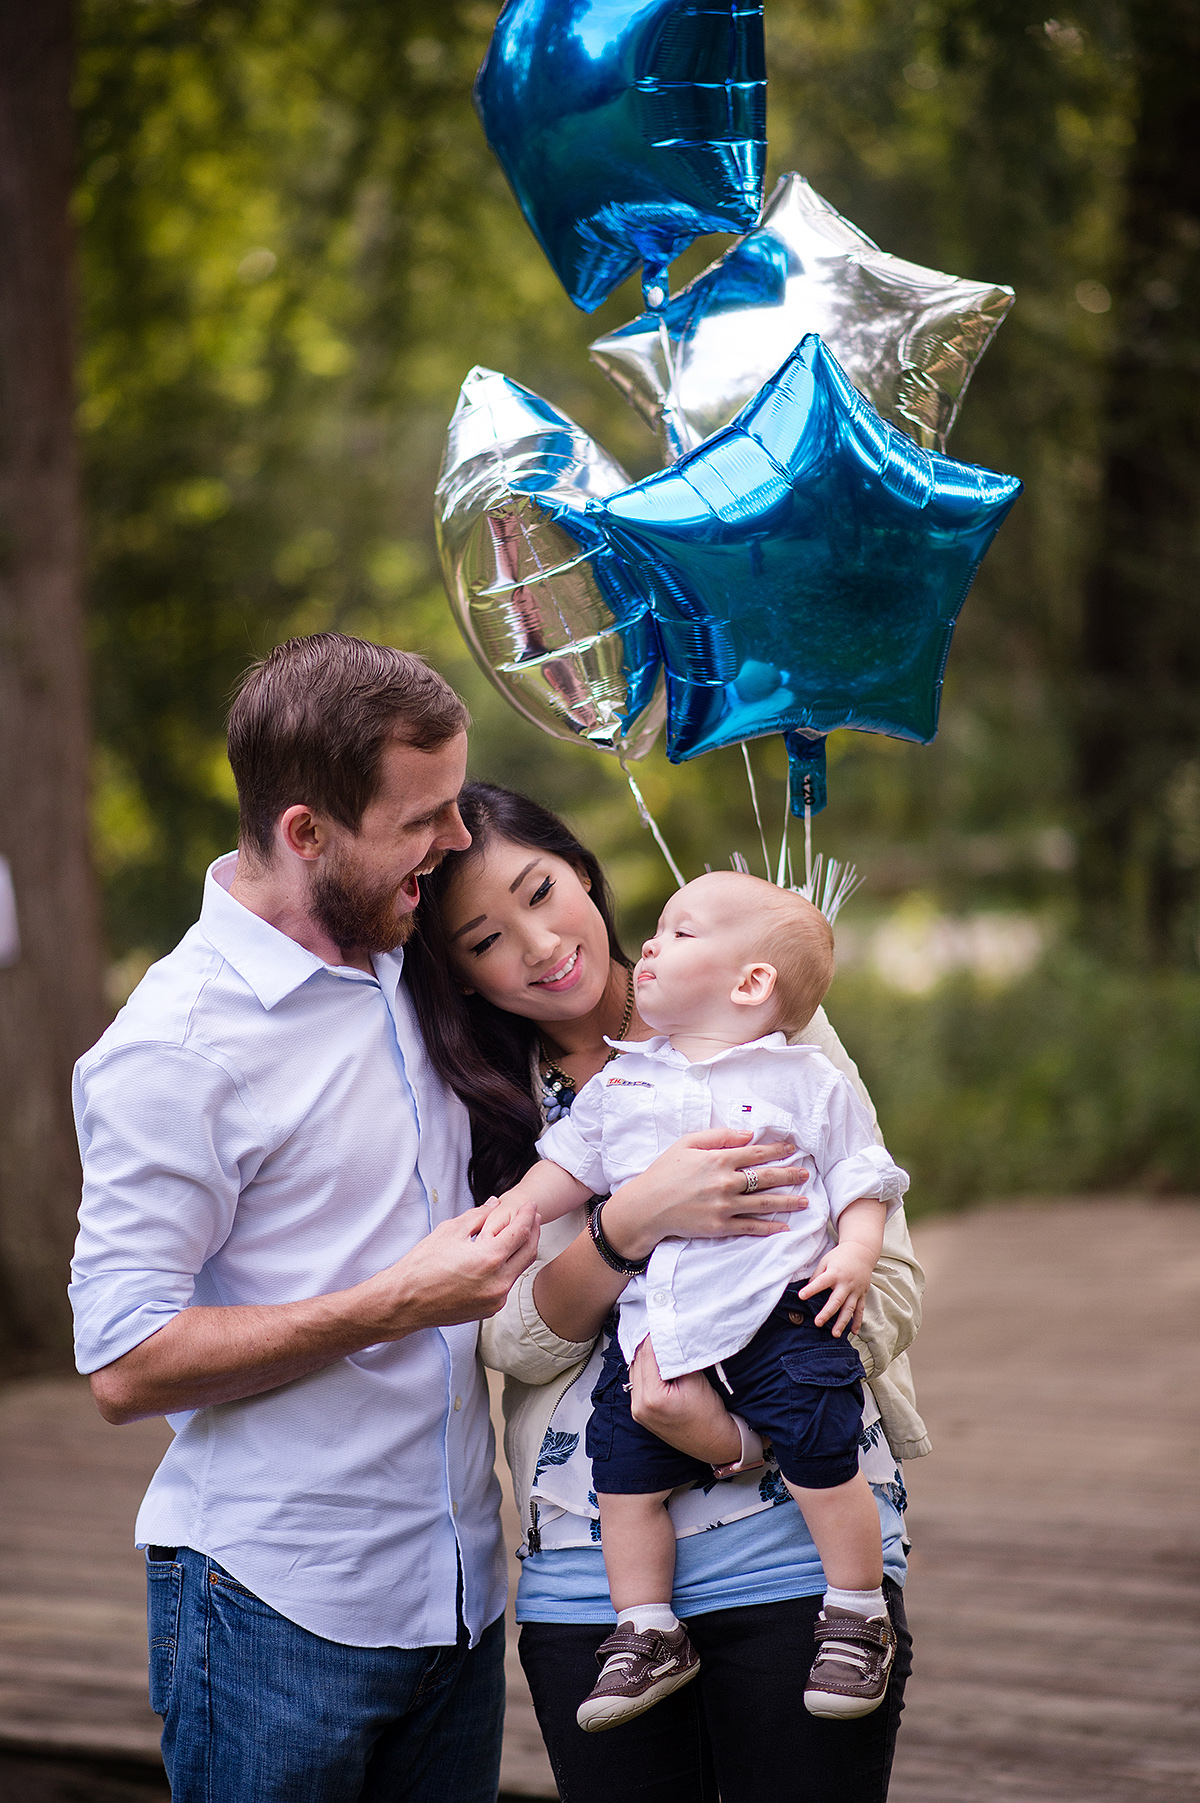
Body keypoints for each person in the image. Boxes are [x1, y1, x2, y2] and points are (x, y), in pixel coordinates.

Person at [69, 634, 550, 1803]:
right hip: (277, 1615)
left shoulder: (403, 945)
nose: (456, 842)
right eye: (422, 818)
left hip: (460, 1596)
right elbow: (125, 1364)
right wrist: (399, 1302)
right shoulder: (177, 1052)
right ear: (305, 833)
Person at [405, 782, 930, 1803]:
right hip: (590, 1576)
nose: (537, 941)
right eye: (482, 940)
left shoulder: (762, 1027)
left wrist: (752, 1423)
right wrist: (629, 1223)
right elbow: (508, 1338)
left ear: (585, 874)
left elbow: (892, 1282)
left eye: (540, 890)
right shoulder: (470, 1101)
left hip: (799, 1552)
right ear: (459, 977)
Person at [497, 872, 908, 1731]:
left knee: (820, 1453)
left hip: (779, 1316)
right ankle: (646, 1627)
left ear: (751, 983)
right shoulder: (625, 1082)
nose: (648, 943)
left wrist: (858, 1251)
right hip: (662, 1332)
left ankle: (857, 1609)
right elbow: (567, 1164)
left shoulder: (803, 1077)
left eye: (678, 934)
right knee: (623, 1475)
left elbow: (863, 1174)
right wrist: (514, 1213)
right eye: (658, 927)